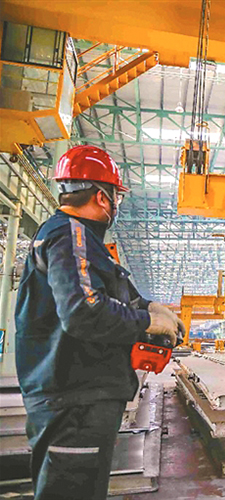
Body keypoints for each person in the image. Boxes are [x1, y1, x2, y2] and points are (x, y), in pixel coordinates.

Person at [14, 145, 183, 500]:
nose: (116, 205)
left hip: (76, 399)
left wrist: (152, 307)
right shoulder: (70, 234)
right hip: (75, 402)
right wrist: (146, 321)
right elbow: (83, 311)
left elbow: (109, 295)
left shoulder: (79, 239)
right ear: (102, 197)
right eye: (116, 197)